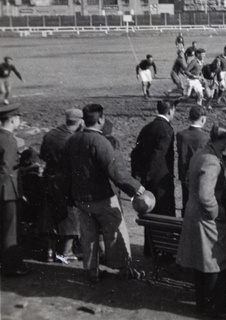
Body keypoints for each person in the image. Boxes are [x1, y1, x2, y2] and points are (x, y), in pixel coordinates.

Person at [63, 103, 145, 282]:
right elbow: (117, 172)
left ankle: (91, 271)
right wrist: (137, 188)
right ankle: (124, 269)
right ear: (100, 119)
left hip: (81, 198)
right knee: (116, 231)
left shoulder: (73, 140)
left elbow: (66, 169)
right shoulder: (101, 142)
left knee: (88, 236)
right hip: (102, 197)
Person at [177, 123, 226, 318]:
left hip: (193, 213)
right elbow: (205, 195)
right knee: (214, 261)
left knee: (202, 263)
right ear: (225, 141)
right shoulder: (211, 161)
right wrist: (215, 212)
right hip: (206, 216)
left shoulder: (201, 154)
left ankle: (203, 306)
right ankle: (218, 309)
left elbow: (187, 180)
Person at [131, 100, 176, 255]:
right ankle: (164, 250)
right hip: (160, 180)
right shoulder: (167, 130)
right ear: (170, 111)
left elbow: (135, 153)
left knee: (149, 213)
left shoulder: (147, 127)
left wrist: (140, 177)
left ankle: (150, 249)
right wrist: (149, 176)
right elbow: (159, 156)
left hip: (147, 180)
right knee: (165, 215)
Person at [39, 108, 84, 262]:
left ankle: (50, 252)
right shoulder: (74, 140)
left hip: (48, 178)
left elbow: (43, 155)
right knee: (70, 216)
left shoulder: (50, 134)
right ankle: (66, 252)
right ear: (80, 121)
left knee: (49, 214)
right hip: (65, 181)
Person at [0, 103, 29, 276]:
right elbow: (5, 169)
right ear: (12, 119)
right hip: (7, 191)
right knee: (11, 230)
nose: (19, 120)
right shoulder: (9, 139)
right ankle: (12, 268)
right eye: (18, 118)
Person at [176, 106, 209, 217]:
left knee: (186, 204)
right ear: (203, 119)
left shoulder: (181, 135)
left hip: (185, 175)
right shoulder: (206, 137)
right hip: (200, 175)